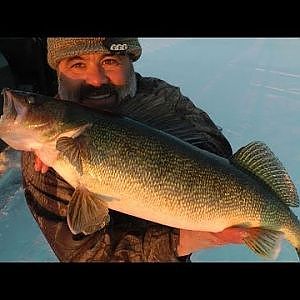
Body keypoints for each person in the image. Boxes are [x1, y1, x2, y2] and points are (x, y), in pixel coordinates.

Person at [21, 37, 248, 262]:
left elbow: (213, 143)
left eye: (110, 61)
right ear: (58, 72)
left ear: (130, 62)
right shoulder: (45, 143)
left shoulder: (157, 95)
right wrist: (181, 240)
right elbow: (86, 255)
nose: (96, 80)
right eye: (77, 64)